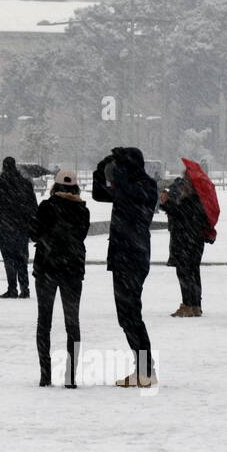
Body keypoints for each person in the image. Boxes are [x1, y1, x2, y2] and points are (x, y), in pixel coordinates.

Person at [93, 147, 158, 387]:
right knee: (126, 316)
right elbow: (99, 193)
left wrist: (119, 171)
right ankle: (143, 369)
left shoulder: (145, 186)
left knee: (132, 315)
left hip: (133, 256)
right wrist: (101, 167)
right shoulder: (127, 186)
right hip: (123, 256)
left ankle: (146, 370)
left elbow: (128, 193)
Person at [28, 169, 90, 387]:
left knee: (44, 322)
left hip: (46, 268)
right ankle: (70, 376)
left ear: (55, 186)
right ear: (75, 188)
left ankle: (45, 374)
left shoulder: (46, 207)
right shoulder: (83, 211)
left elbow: (33, 234)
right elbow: (80, 236)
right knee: (72, 323)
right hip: (72, 271)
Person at [161, 175, 208, 317]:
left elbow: (180, 215)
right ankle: (195, 305)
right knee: (193, 273)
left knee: (185, 273)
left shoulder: (191, 201)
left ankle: (188, 304)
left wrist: (166, 202)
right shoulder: (198, 200)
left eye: (185, 184)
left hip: (186, 242)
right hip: (194, 242)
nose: (181, 187)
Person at [0, 156, 36, 299]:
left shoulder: (0, 185)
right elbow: (33, 206)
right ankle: (25, 288)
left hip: (5, 227)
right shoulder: (26, 184)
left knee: (8, 259)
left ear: (4, 167)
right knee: (22, 258)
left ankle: (12, 288)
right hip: (22, 227)